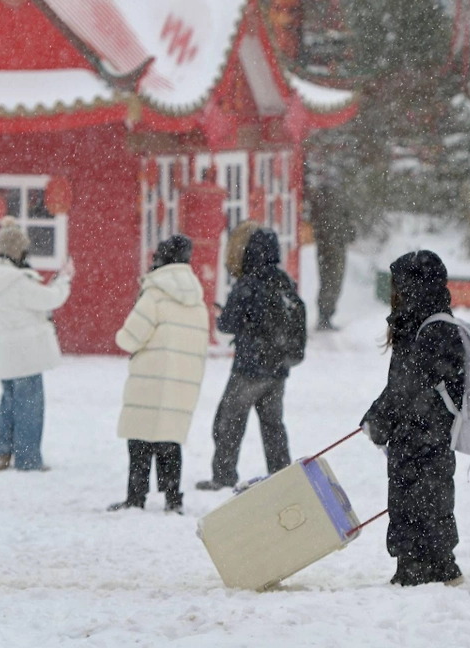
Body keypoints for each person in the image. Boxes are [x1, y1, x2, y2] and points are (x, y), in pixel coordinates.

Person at [361, 250, 465, 587]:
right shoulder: (419, 322)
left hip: (423, 429)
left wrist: (378, 419)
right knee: (425, 493)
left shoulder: (432, 328)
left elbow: (409, 386)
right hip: (422, 429)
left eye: (399, 286)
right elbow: (405, 384)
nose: (395, 294)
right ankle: (434, 563)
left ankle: (422, 566)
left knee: (419, 494)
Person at [108, 236, 209, 514]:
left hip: (150, 381)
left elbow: (129, 338)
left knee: (140, 438)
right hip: (182, 381)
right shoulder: (197, 300)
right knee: (169, 439)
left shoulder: (154, 294)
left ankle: (135, 498)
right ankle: (173, 499)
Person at [197, 228, 297, 491]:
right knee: (273, 426)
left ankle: (223, 475)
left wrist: (222, 315)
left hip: (250, 368)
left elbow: (229, 323)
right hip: (278, 370)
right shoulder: (284, 282)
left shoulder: (248, 283)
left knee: (228, 421)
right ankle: (282, 474)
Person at [0, 216, 73, 472]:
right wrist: (64, 279)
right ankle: (28, 458)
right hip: (28, 353)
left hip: (4, 351)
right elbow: (51, 299)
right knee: (30, 406)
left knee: (8, 402)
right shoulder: (18, 282)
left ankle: (2, 453)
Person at [308, 183, 356, 331]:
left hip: (331, 245)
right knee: (331, 281)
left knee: (331, 281)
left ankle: (326, 315)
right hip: (331, 246)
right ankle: (325, 315)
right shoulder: (329, 199)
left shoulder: (323, 199)